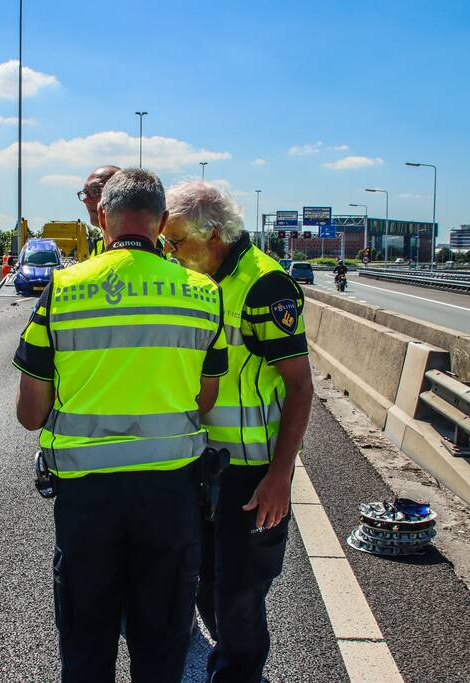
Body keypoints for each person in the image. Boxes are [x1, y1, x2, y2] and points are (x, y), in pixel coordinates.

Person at [15, 169, 229, 683]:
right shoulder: (202, 293)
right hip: (171, 492)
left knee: (86, 644)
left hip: (86, 498)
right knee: (161, 645)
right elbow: (206, 397)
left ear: (103, 218)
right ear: (160, 222)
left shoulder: (63, 288)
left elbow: (30, 414)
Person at [164, 181, 314, 683]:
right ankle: (228, 661)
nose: (171, 252)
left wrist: (281, 477)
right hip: (202, 465)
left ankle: (239, 673)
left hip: (251, 473)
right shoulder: (199, 280)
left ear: (212, 234)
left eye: (177, 241)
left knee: (242, 590)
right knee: (204, 582)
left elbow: (300, 386)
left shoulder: (265, 285)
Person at [77, 165, 120, 257]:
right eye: (85, 192)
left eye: (95, 190)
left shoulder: (153, 246)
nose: (86, 200)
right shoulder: (99, 247)